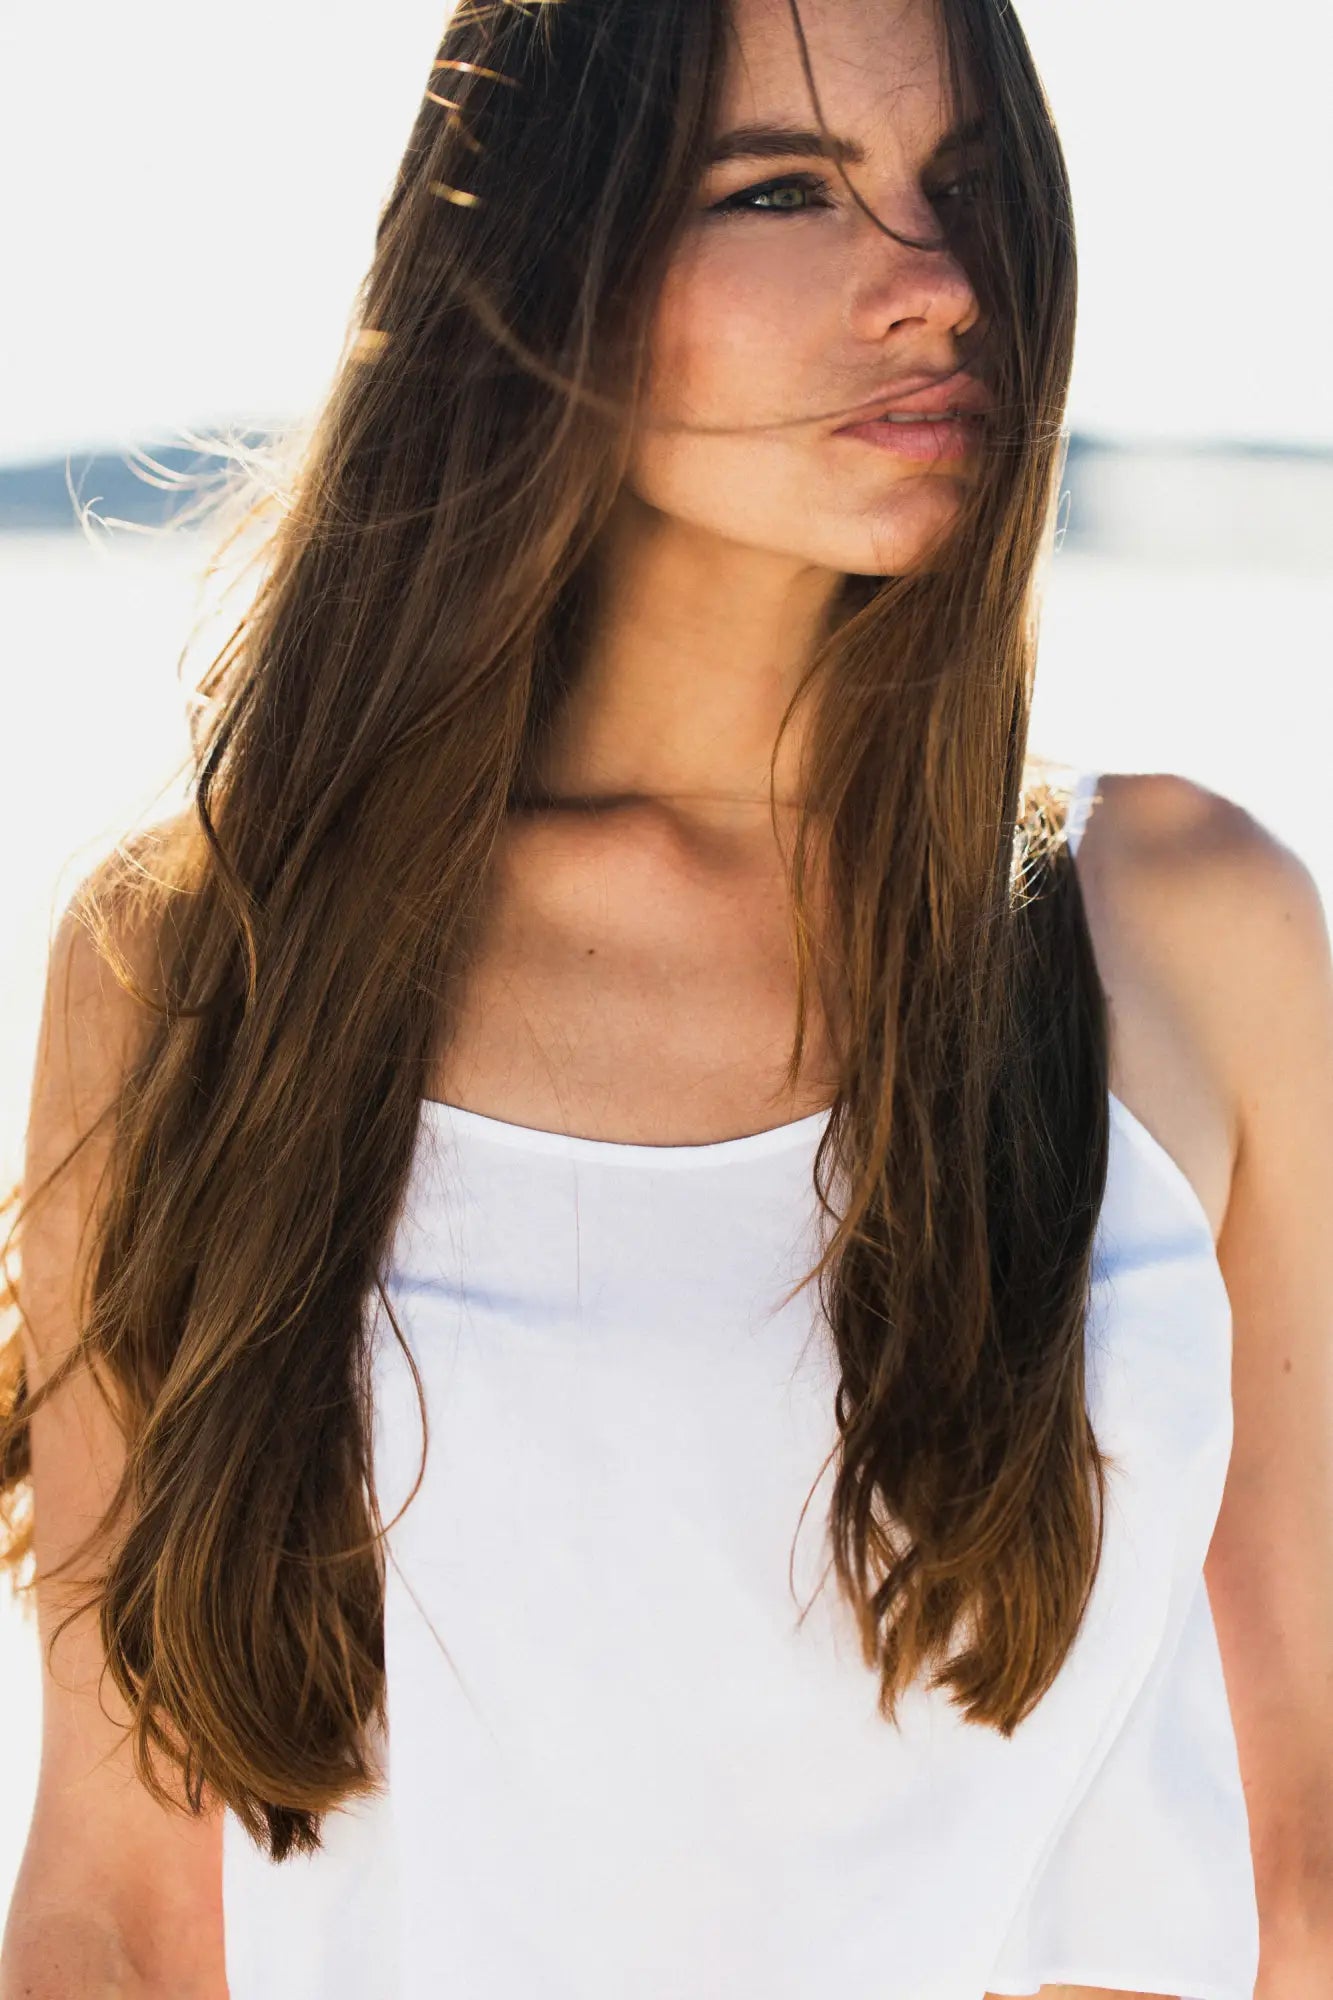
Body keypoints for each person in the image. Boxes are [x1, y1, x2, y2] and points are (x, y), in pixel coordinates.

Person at [3, 0, 1331, 1994]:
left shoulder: (1175, 933)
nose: (938, 288)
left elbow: (1302, 1851)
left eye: (966, 194)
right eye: (786, 187)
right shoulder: (206, 974)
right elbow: (119, 1896)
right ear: (545, 257)